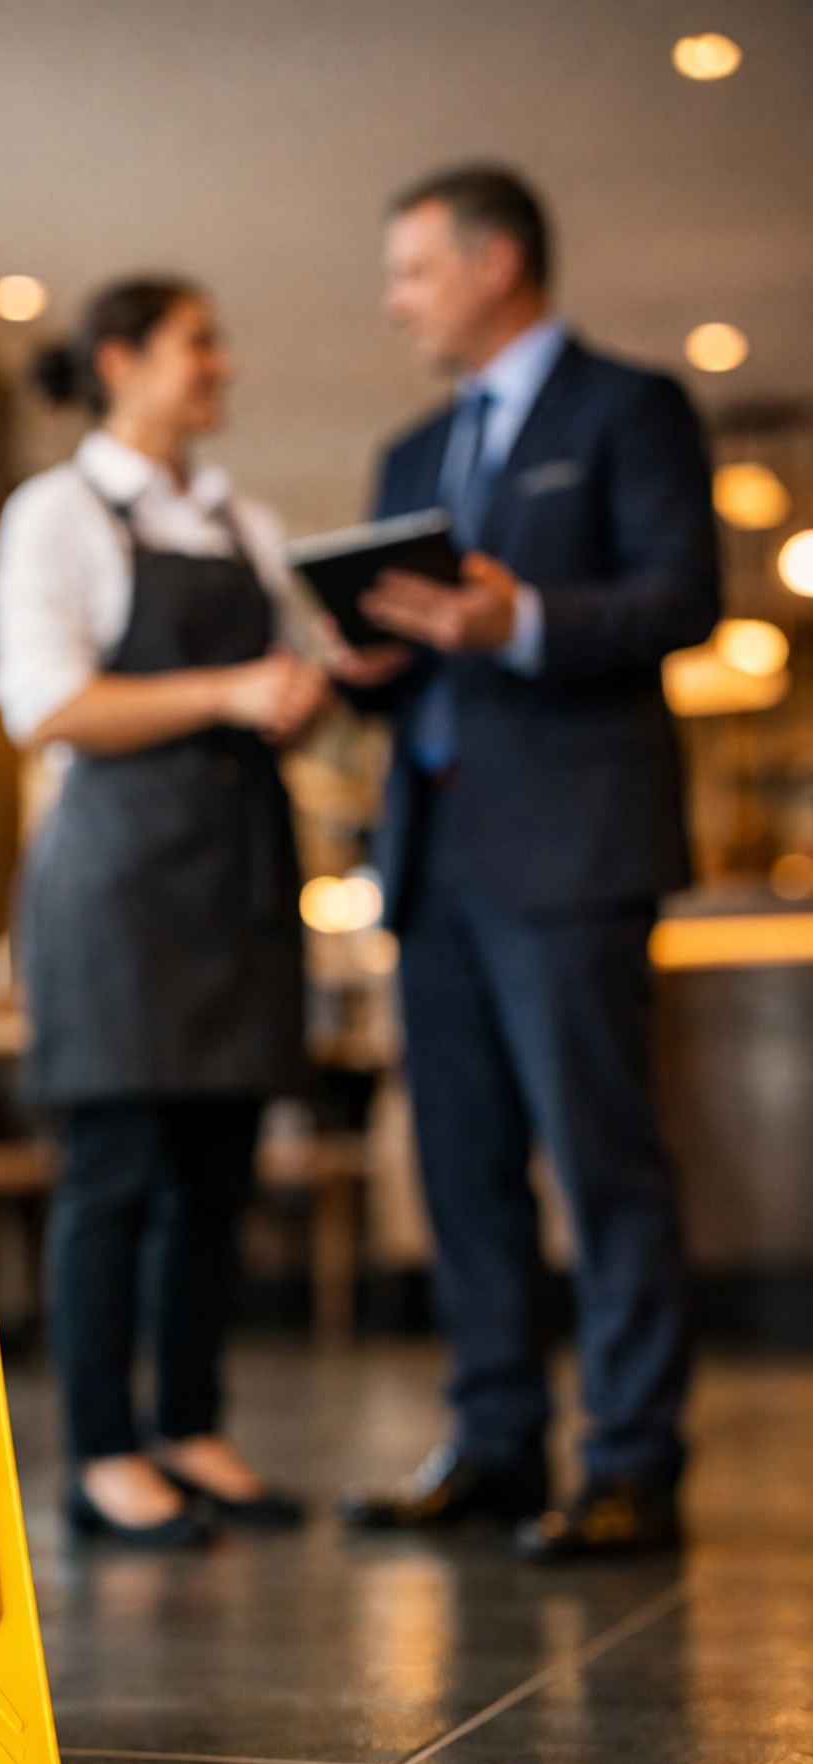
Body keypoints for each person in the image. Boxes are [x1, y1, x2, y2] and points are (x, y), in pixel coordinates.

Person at [323, 167, 719, 1560]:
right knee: (463, 1164)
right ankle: (495, 1440)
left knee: (601, 1161)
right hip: (432, 859)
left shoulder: (631, 409)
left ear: (497, 264)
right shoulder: (408, 452)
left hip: (575, 849)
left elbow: (684, 596)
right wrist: (362, 664)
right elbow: (406, 657)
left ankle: (631, 1459)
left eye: (414, 271)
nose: (395, 301)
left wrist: (523, 617)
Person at [0, 277, 331, 1548]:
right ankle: (104, 1452)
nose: (221, 367)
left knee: (215, 1179)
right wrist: (237, 689)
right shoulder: (58, 513)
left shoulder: (248, 520)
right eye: (199, 344)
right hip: (119, 888)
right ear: (120, 360)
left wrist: (307, 691)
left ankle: (192, 1426)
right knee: (116, 1177)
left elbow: (282, 680)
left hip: (236, 874)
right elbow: (51, 707)